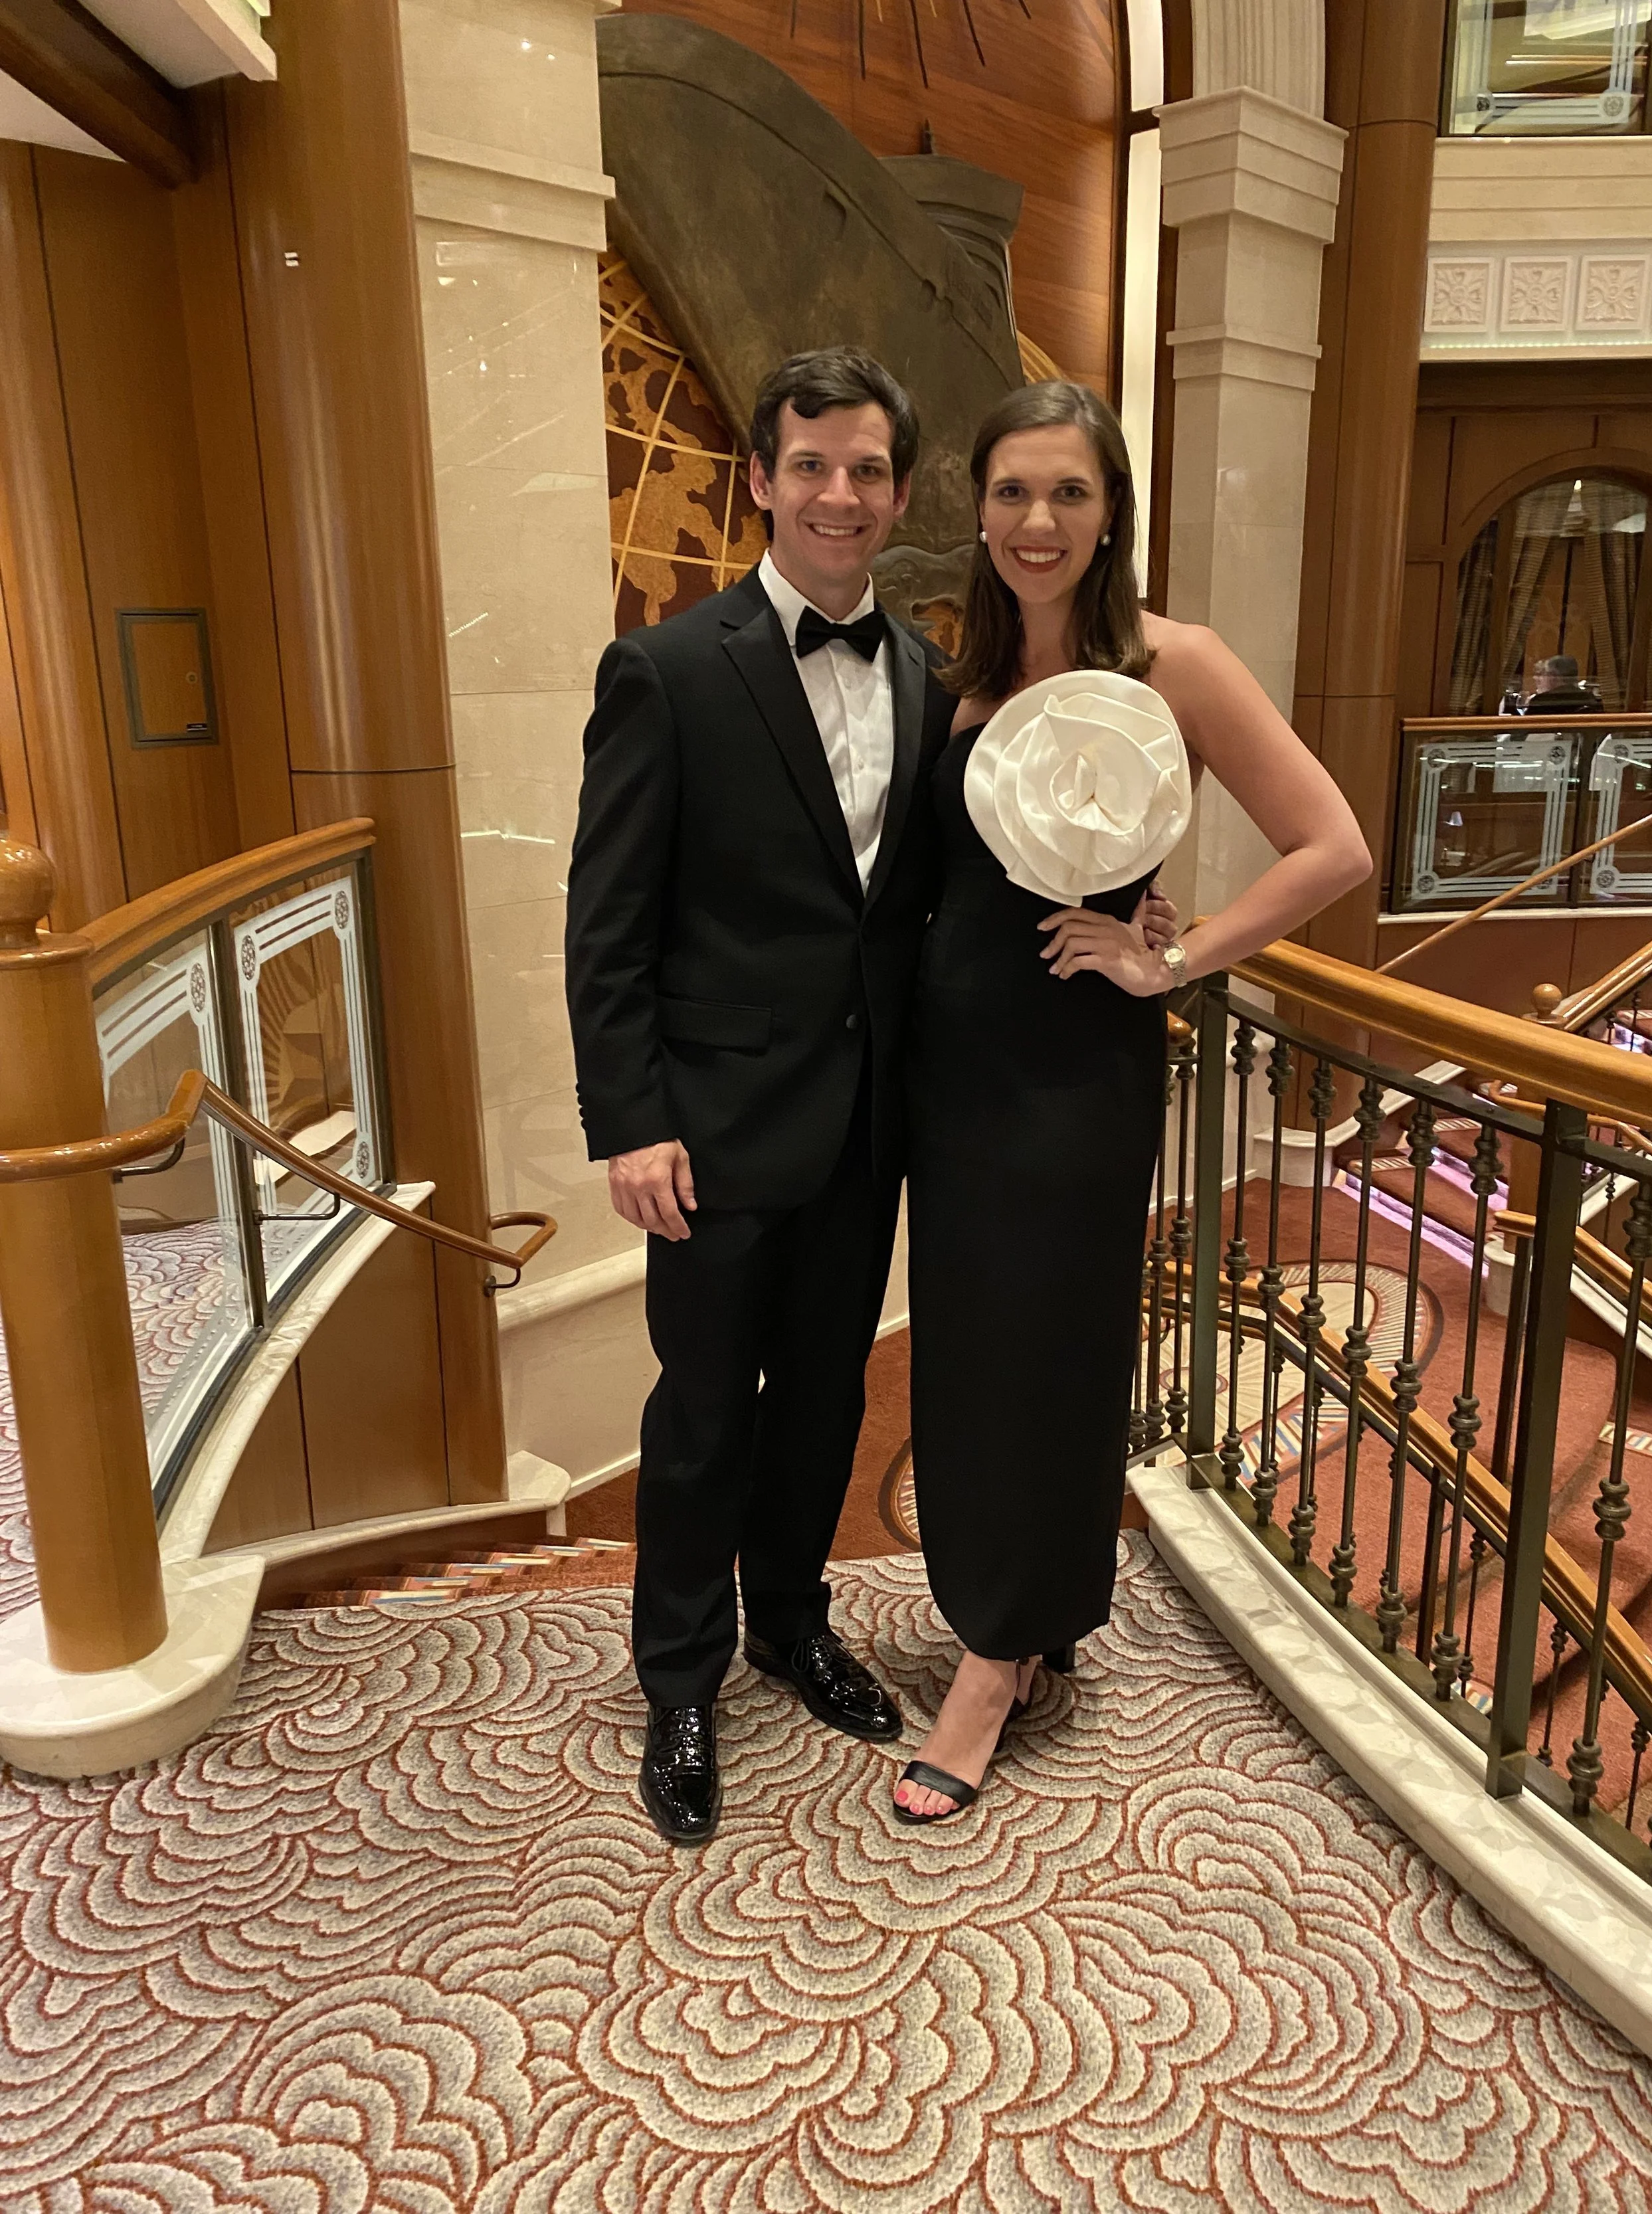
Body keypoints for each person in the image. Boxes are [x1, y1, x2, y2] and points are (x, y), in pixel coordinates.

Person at [892, 381, 1372, 1825]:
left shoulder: (1177, 659)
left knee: (1049, 1345)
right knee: (968, 1350)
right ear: (977, 512)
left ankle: (993, 1663)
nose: (1037, 522)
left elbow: (1331, 843)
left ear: (1112, 516)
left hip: (1069, 1075)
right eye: (1012, 493)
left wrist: (1169, 956)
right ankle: (1010, 1617)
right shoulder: (954, 673)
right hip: (951, 1071)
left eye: (1068, 494)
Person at [564, 348, 958, 1846]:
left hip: (864, 1130)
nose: (838, 494)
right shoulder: (667, 668)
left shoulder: (925, 673)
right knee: (701, 1412)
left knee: (827, 1399)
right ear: (760, 480)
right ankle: (679, 1674)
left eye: (865, 469)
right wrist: (629, 1119)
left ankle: (793, 1622)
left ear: (899, 492)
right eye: (810, 466)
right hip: (714, 1128)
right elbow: (606, 918)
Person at [1524, 654, 1602, 714]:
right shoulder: (1589, 698)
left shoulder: (1541, 701)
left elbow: (1523, 733)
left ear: (1554, 676)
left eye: (1544, 674)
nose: (1539, 679)